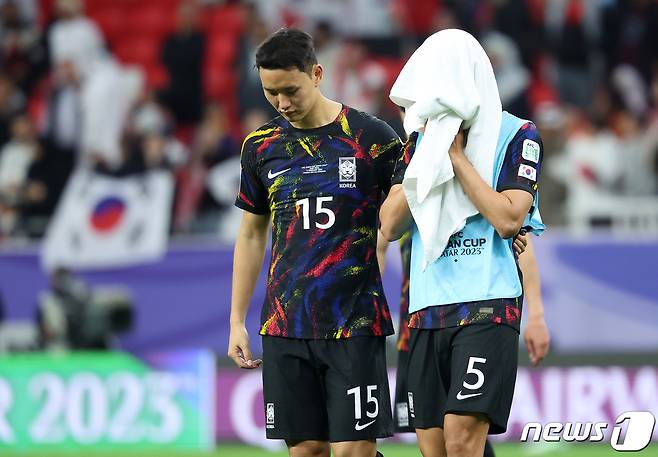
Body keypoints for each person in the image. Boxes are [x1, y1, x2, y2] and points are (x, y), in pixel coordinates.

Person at [227, 28, 402, 457]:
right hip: (286, 325)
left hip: (354, 320)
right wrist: (236, 320)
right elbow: (251, 235)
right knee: (306, 452)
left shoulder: (371, 138)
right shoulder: (261, 147)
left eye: (290, 90)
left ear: (318, 74)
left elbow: (410, 211)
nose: (282, 103)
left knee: (352, 452)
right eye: (271, 93)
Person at [380, 113, 545, 457]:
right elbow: (386, 232)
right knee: (437, 444)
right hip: (422, 313)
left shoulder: (510, 137)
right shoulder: (416, 146)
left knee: (462, 436)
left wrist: (537, 315)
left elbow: (516, 232)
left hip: (484, 307)